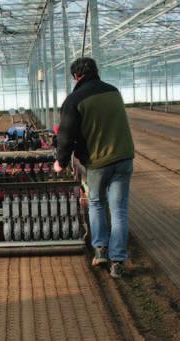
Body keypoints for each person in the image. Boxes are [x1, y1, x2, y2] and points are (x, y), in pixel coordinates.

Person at [53, 57, 135, 278]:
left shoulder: (74, 100)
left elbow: (66, 135)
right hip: (124, 157)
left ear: (76, 77)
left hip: (99, 161)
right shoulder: (114, 91)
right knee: (119, 209)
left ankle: (100, 250)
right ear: (96, 71)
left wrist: (61, 162)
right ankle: (118, 261)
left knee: (97, 203)